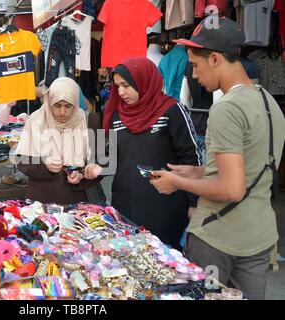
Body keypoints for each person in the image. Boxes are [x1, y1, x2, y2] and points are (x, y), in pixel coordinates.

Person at [150, 16, 285, 300]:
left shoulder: (227, 109)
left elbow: (231, 189)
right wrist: (197, 172)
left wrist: (177, 183)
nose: (195, 76)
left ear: (214, 59)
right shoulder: (267, 101)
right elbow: (250, 167)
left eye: (195, 66)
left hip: (219, 238)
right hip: (258, 236)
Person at [84, 57, 202, 250]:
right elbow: (112, 156)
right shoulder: (117, 115)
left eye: (126, 85)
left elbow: (191, 157)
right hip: (125, 205)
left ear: (143, 81)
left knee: (166, 261)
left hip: (165, 206)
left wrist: (194, 202)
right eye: (117, 86)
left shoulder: (171, 111)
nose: (121, 92)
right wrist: (98, 166)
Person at [15, 77, 104, 205]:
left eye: (68, 106)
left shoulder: (90, 121)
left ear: (76, 102)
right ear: (49, 101)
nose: (62, 112)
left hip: (76, 202)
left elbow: (100, 162)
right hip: (40, 201)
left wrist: (82, 174)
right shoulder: (36, 120)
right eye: (57, 105)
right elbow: (22, 160)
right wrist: (44, 165)